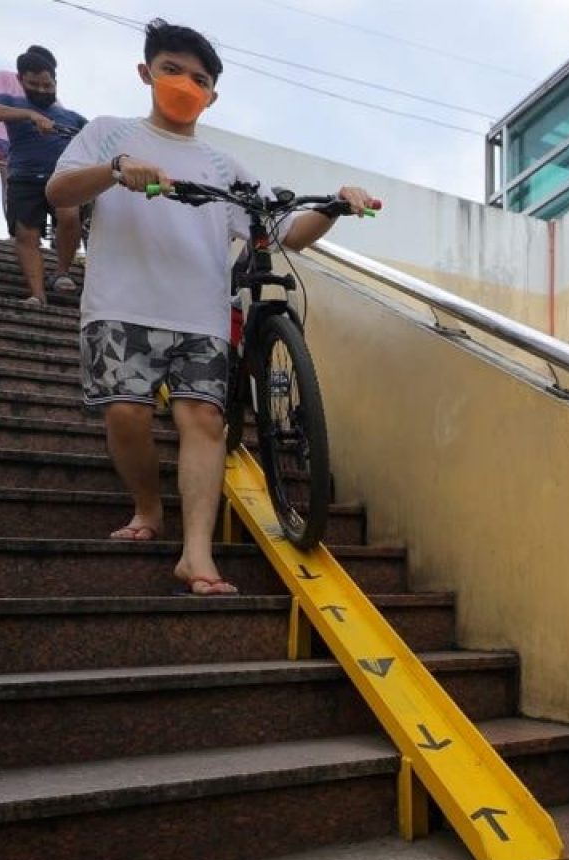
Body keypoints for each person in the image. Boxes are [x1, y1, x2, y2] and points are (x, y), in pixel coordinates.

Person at [45, 18, 374, 596]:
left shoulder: (224, 166)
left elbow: (285, 230)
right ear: (146, 73)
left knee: (205, 422)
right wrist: (117, 172)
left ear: (212, 94)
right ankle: (149, 507)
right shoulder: (106, 133)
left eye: (198, 78)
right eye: (172, 70)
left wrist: (338, 206)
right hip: (119, 305)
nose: (184, 84)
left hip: (200, 315)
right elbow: (58, 192)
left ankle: (196, 557)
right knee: (126, 414)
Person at [0, 46, 86, 305]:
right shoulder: (12, 103)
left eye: (47, 85)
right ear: (21, 81)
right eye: (34, 84)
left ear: (55, 82)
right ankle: (37, 294)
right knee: (27, 234)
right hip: (24, 177)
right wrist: (29, 114)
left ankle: (61, 272)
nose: (42, 90)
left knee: (70, 218)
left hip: (62, 178)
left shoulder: (71, 116)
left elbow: (100, 138)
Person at [0, 49, 48, 235]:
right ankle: (16, 232)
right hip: (5, 136)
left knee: (33, 187)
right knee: (10, 185)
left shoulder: (47, 88)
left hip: (34, 143)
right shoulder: (4, 76)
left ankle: (31, 233)